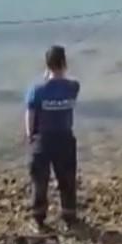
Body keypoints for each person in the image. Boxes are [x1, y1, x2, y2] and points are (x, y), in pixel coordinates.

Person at [25, 45, 81, 229]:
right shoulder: (73, 87)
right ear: (64, 63)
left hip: (43, 140)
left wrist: (30, 137)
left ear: (46, 64)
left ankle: (39, 218)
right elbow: (65, 82)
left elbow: (30, 116)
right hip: (65, 138)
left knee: (40, 181)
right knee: (66, 179)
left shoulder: (37, 90)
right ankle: (69, 215)